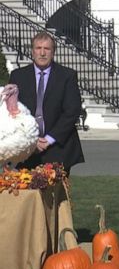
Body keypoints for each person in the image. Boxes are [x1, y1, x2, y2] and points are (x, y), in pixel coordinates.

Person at [9, 32, 84, 174]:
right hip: (27, 149)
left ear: (53, 52)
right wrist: (31, 140)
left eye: (47, 49)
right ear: (32, 51)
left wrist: (49, 139)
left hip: (58, 148)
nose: (42, 53)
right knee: (27, 194)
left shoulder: (67, 76)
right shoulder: (18, 76)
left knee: (56, 196)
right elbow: (12, 111)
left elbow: (72, 111)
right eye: (38, 48)